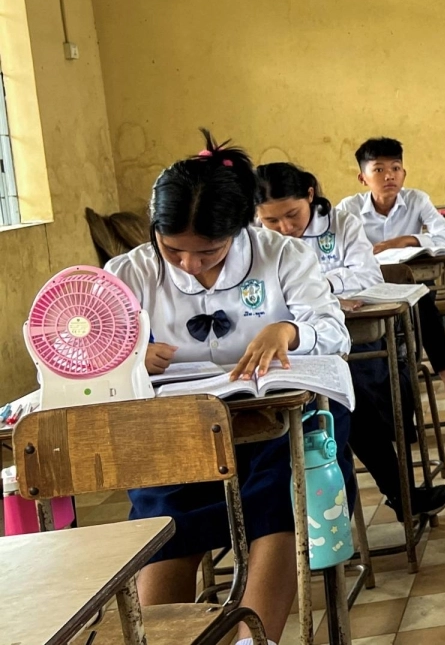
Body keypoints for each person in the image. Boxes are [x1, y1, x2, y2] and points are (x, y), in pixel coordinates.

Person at [106, 132, 351, 645]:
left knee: (280, 488)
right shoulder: (129, 272)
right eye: (173, 250)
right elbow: (79, 347)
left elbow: (333, 330)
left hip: (277, 413)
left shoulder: (281, 256)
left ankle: (252, 639)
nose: (190, 265)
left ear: (240, 230)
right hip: (178, 422)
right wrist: (124, 355)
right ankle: (160, 637)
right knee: (166, 504)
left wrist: (289, 331)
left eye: (208, 251)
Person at [256, 162, 445, 518]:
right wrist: (321, 291)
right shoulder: (250, 241)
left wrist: (316, 290)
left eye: (292, 214)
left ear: (310, 196)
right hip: (280, 355)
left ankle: (385, 500)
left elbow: (366, 273)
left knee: (351, 395)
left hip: (341, 341)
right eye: (272, 221)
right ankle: (388, 498)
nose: (285, 228)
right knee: (341, 402)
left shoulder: (340, 222)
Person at [336, 137, 445, 418]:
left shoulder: (416, 199)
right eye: (378, 169)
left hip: (410, 288)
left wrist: (405, 240)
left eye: (395, 168)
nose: (389, 175)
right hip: (366, 294)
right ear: (362, 177)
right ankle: (388, 405)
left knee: (423, 303)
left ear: (404, 173)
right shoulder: (348, 209)